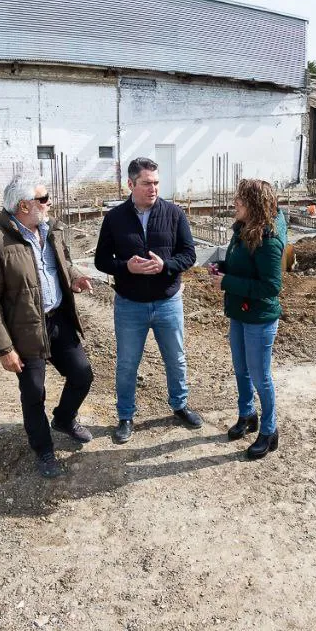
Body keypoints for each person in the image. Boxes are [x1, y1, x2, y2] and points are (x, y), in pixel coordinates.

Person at [0, 177, 96, 479]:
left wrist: (75, 277)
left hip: (57, 320)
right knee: (34, 393)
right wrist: (4, 348)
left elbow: (63, 264)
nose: (49, 202)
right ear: (23, 205)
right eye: (43, 198)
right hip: (23, 330)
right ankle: (43, 450)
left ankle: (64, 419)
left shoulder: (51, 230)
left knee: (82, 374)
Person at [94, 157, 202, 444]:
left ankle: (179, 405)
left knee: (176, 359)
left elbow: (189, 254)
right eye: (146, 183)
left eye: (156, 182)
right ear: (130, 184)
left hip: (168, 303)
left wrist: (165, 265)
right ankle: (126, 416)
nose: (153, 188)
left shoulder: (174, 214)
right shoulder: (115, 219)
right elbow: (101, 260)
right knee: (128, 363)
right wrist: (125, 267)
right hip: (130, 305)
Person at [209, 180, 284, 459]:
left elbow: (271, 287)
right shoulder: (241, 231)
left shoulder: (268, 239)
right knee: (241, 370)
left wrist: (227, 282)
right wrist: (222, 268)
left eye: (239, 200)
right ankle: (247, 415)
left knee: (260, 377)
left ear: (252, 204)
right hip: (239, 313)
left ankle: (268, 430)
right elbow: (242, 267)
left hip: (259, 319)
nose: (234, 204)